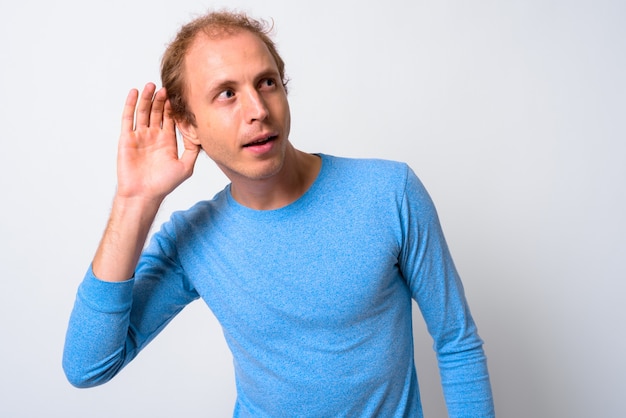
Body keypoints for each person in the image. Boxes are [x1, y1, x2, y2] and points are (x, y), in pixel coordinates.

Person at [63, 10, 495, 417]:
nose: (258, 111)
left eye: (267, 83)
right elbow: (88, 366)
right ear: (188, 124)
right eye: (227, 94)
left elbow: (456, 343)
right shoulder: (191, 239)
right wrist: (135, 201)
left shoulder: (389, 192)